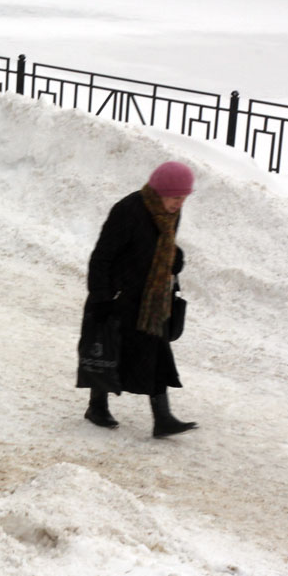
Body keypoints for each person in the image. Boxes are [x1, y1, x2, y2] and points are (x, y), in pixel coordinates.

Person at [77, 161, 198, 438]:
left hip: (150, 302)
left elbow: (158, 245)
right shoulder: (128, 210)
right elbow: (102, 256)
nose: (179, 204)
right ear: (160, 192)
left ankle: (163, 418)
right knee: (110, 351)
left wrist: (173, 257)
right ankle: (97, 406)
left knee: (156, 353)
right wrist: (101, 297)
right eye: (176, 197)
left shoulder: (170, 214)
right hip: (119, 296)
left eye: (184, 198)